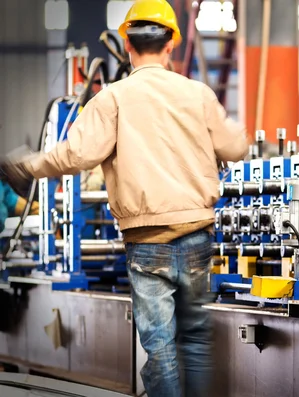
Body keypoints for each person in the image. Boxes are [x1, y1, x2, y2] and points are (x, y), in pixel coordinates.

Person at [0, 0, 248, 395]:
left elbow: (74, 155)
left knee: (162, 348)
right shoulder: (198, 94)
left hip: (148, 242)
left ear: (128, 47)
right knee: (197, 341)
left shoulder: (113, 99)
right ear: (171, 46)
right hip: (198, 236)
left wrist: (29, 166)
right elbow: (236, 147)